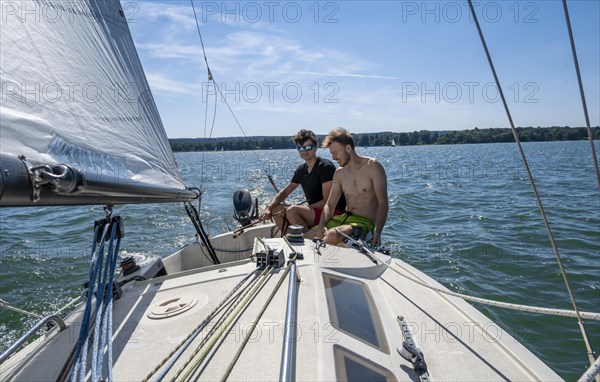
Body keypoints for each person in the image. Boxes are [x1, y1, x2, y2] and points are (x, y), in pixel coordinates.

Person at [313, 127, 388, 247]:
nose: (333, 158)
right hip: (342, 219)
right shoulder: (339, 173)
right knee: (302, 236)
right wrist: (321, 227)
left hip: (363, 223)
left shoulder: (373, 167)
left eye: (335, 153)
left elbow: (383, 203)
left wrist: (378, 233)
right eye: (331, 154)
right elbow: (330, 205)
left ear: (348, 148)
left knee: (332, 235)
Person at [260, 129, 346, 233]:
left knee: (292, 210)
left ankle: (308, 243)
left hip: (332, 212)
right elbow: (285, 192)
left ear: (315, 147)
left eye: (308, 147)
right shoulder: (301, 170)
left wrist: (301, 209)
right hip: (314, 212)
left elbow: (326, 201)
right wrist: (269, 207)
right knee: (276, 210)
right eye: (300, 148)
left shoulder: (325, 167)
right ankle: (290, 240)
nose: (304, 151)